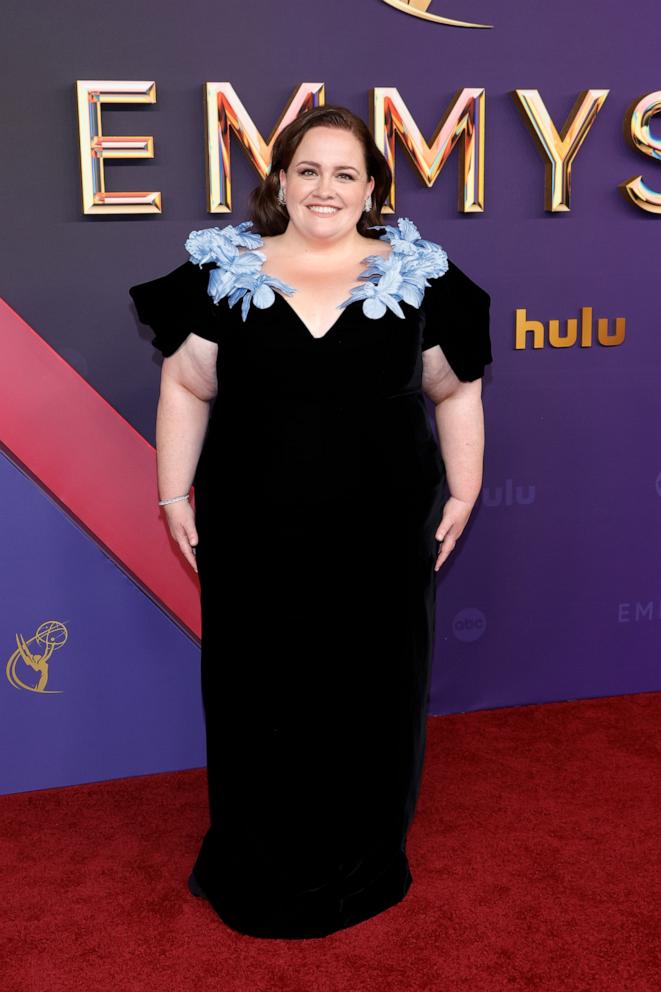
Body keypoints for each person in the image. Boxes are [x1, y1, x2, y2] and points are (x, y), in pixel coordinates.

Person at [128, 104, 493, 940]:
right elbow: (186, 386)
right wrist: (172, 494)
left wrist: (465, 491)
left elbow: (455, 387)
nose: (324, 188)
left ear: (371, 188)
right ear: (279, 180)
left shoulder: (423, 276)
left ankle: (362, 856)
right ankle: (258, 857)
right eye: (307, 169)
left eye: (344, 173)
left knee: (371, 687)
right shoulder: (220, 272)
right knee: (259, 687)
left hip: (383, 528)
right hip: (255, 526)